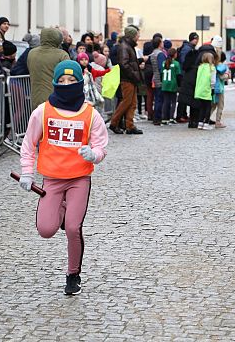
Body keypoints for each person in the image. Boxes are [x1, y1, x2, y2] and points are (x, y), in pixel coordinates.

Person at [19, 60, 108, 295]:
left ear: (79, 82)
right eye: (61, 80)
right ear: (55, 83)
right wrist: (27, 172)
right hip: (52, 179)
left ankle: (73, 275)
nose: (66, 84)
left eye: (71, 80)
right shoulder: (42, 111)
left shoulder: (91, 114)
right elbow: (28, 145)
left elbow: (101, 146)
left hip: (79, 178)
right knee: (46, 229)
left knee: (72, 228)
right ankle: (62, 208)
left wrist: (94, 154)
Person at [109, 25, 143, 135]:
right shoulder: (125, 46)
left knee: (132, 103)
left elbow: (128, 62)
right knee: (126, 102)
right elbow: (124, 64)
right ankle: (114, 123)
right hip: (127, 79)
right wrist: (134, 74)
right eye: (137, 34)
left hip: (130, 79)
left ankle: (130, 125)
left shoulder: (127, 45)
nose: (138, 36)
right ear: (132, 36)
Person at [27, 28, 71, 109]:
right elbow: (69, 76)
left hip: (36, 98)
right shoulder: (62, 55)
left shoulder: (32, 53)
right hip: (56, 99)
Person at [195, 53, 216, 130]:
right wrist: (212, 89)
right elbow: (213, 80)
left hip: (200, 90)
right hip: (207, 90)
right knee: (208, 107)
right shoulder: (212, 68)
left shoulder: (200, 67)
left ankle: (200, 123)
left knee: (202, 107)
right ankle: (206, 123)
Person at [161, 48, 181, 124]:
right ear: (175, 54)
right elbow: (178, 75)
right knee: (173, 101)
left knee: (165, 101)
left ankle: (164, 118)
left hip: (165, 84)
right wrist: (179, 85)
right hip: (173, 84)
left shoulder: (164, 63)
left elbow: (161, 73)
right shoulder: (176, 63)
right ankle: (171, 117)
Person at [150, 37, 165, 125]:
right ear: (159, 43)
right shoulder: (160, 54)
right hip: (160, 79)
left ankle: (155, 117)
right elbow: (161, 67)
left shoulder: (153, 54)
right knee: (159, 99)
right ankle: (157, 117)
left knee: (157, 99)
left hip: (155, 77)